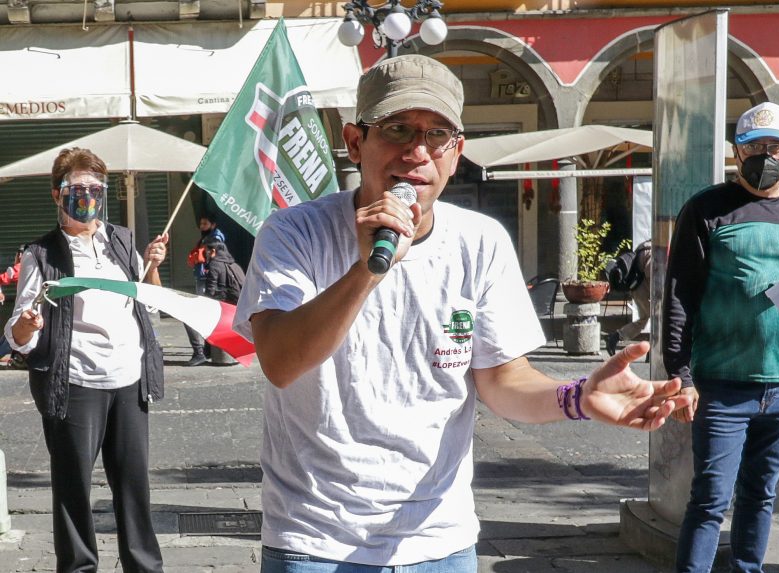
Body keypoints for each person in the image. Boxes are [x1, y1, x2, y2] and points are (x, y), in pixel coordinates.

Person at [234, 54, 692, 572]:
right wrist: (367, 270)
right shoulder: (294, 233)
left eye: (437, 136)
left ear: (456, 154)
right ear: (356, 142)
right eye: (398, 129)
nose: (417, 151)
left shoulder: (480, 240)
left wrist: (578, 397)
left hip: (439, 543)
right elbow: (281, 361)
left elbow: (502, 380)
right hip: (314, 540)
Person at [663, 102, 779, 573]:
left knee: (761, 495)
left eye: (773, 146)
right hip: (720, 384)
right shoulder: (705, 209)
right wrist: (681, 374)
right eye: (752, 147)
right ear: (736, 153)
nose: (764, 155)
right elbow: (680, 295)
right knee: (710, 499)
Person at [3, 147, 168, 573]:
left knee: (134, 488)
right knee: (73, 489)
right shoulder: (40, 255)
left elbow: (146, 306)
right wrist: (28, 324)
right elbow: (17, 338)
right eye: (77, 189)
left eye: (96, 189)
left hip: (129, 381)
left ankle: (145, 567)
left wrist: (151, 267)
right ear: (58, 194)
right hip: (75, 384)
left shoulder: (121, 240)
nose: (88, 197)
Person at [184, 213, 225, 366]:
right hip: (203, 280)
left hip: (208, 282)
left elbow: (207, 259)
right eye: (201, 223)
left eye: (205, 224)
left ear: (213, 225)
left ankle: (199, 352)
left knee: (194, 316)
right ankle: (206, 349)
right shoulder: (206, 239)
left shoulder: (215, 239)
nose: (202, 227)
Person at [606, 239, 652, 356]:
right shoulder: (652, 250)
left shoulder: (643, 246)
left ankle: (615, 337)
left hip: (637, 289)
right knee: (658, 318)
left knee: (645, 319)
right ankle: (652, 351)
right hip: (644, 290)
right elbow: (651, 274)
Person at [202, 236, 245, 304]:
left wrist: (205, 304)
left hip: (223, 303)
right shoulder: (234, 264)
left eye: (205, 250)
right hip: (239, 302)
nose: (204, 253)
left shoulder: (214, 264)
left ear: (213, 251)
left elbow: (210, 289)